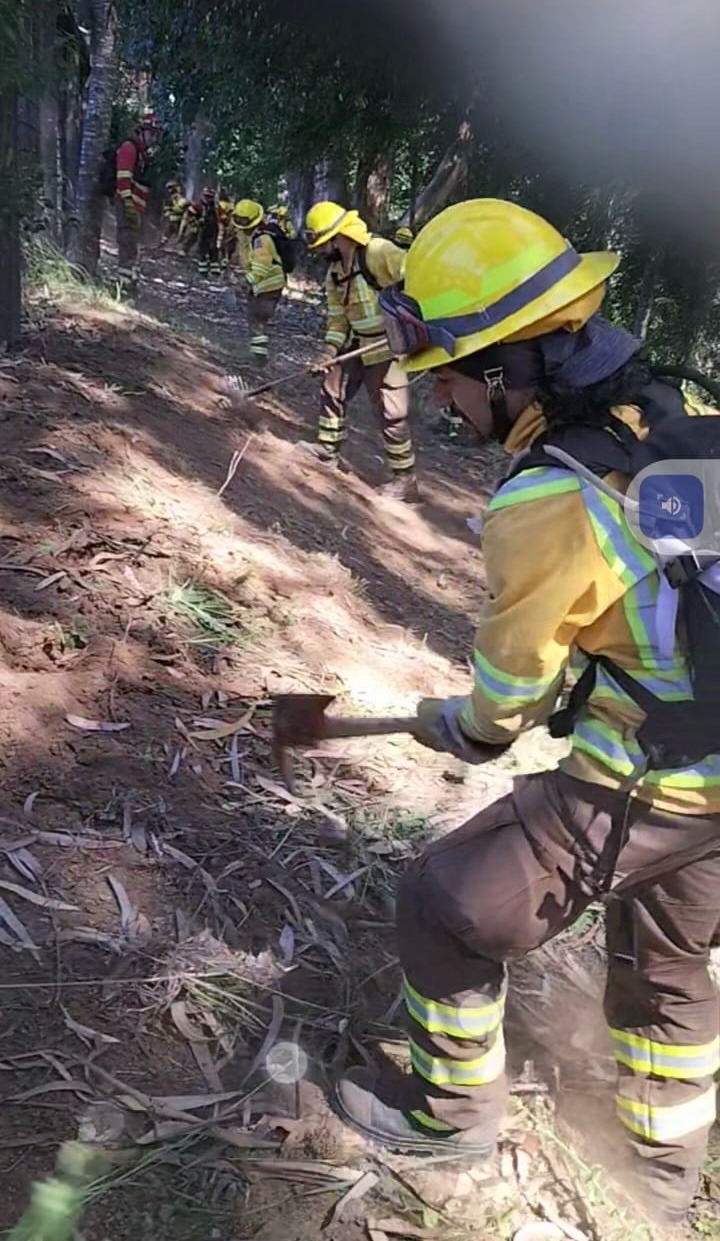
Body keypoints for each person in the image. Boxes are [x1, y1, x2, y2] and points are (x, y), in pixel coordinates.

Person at [332, 198, 720, 1228]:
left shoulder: (550, 495)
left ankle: (451, 1116)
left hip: (653, 780)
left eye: (449, 382)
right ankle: (666, 1183)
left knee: (446, 903)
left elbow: (512, 696)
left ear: (506, 370)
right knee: (669, 964)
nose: (450, 406)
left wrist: (465, 725)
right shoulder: (683, 414)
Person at [302, 201, 418, 502]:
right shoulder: (334, 275)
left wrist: (415, 324)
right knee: (332, 388)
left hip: (389, 346)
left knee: (391, 412)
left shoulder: (379, 253)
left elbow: (420, 278)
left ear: (339, 238)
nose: (319, 251)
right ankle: (327, 451)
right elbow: (338, 319)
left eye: (323, 244)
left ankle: (405, 480)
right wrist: (328, 351)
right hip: (356, 343)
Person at [233, 199, 286, 366]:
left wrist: (245, 282)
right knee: (256, 319)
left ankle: (259, 359)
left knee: (256, 319)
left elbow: (262, 266)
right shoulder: (254, 236)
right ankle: (258, 355)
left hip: (268, 286)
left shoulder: (261, 239)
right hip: (264, 285)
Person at [114, 110, 162, 292]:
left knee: (133, 244)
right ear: (142, 131)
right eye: (152, 134)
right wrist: (128, 203)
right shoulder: (129, 148)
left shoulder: (141, 153)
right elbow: (123, 178)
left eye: (156, 135)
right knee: (127, 242)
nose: (154, 139)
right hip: (128, 204)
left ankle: (130, 280)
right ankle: (123, 285)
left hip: (136, 206)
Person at [191, 187, 221, 277]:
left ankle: (215, 271)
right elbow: (189, 215)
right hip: (202, 231)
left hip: (214, 231)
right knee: (202, 250)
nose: (208, 198)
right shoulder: (198, 206)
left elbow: (222, 218)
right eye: (206, 196)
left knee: (213, 250)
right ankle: (203, 271)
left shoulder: (216, 207)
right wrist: (196, 223)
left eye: (210, 197)